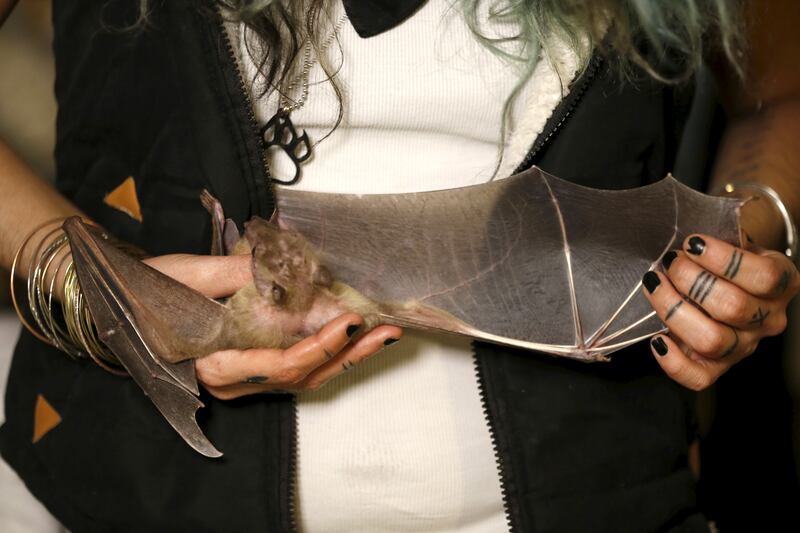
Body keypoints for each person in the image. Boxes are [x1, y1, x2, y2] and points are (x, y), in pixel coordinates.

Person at [0, 0, 798, 531]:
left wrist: (743, 235)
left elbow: (779, 92)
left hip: (590, 491)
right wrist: (83, 287)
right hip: (127, 499)